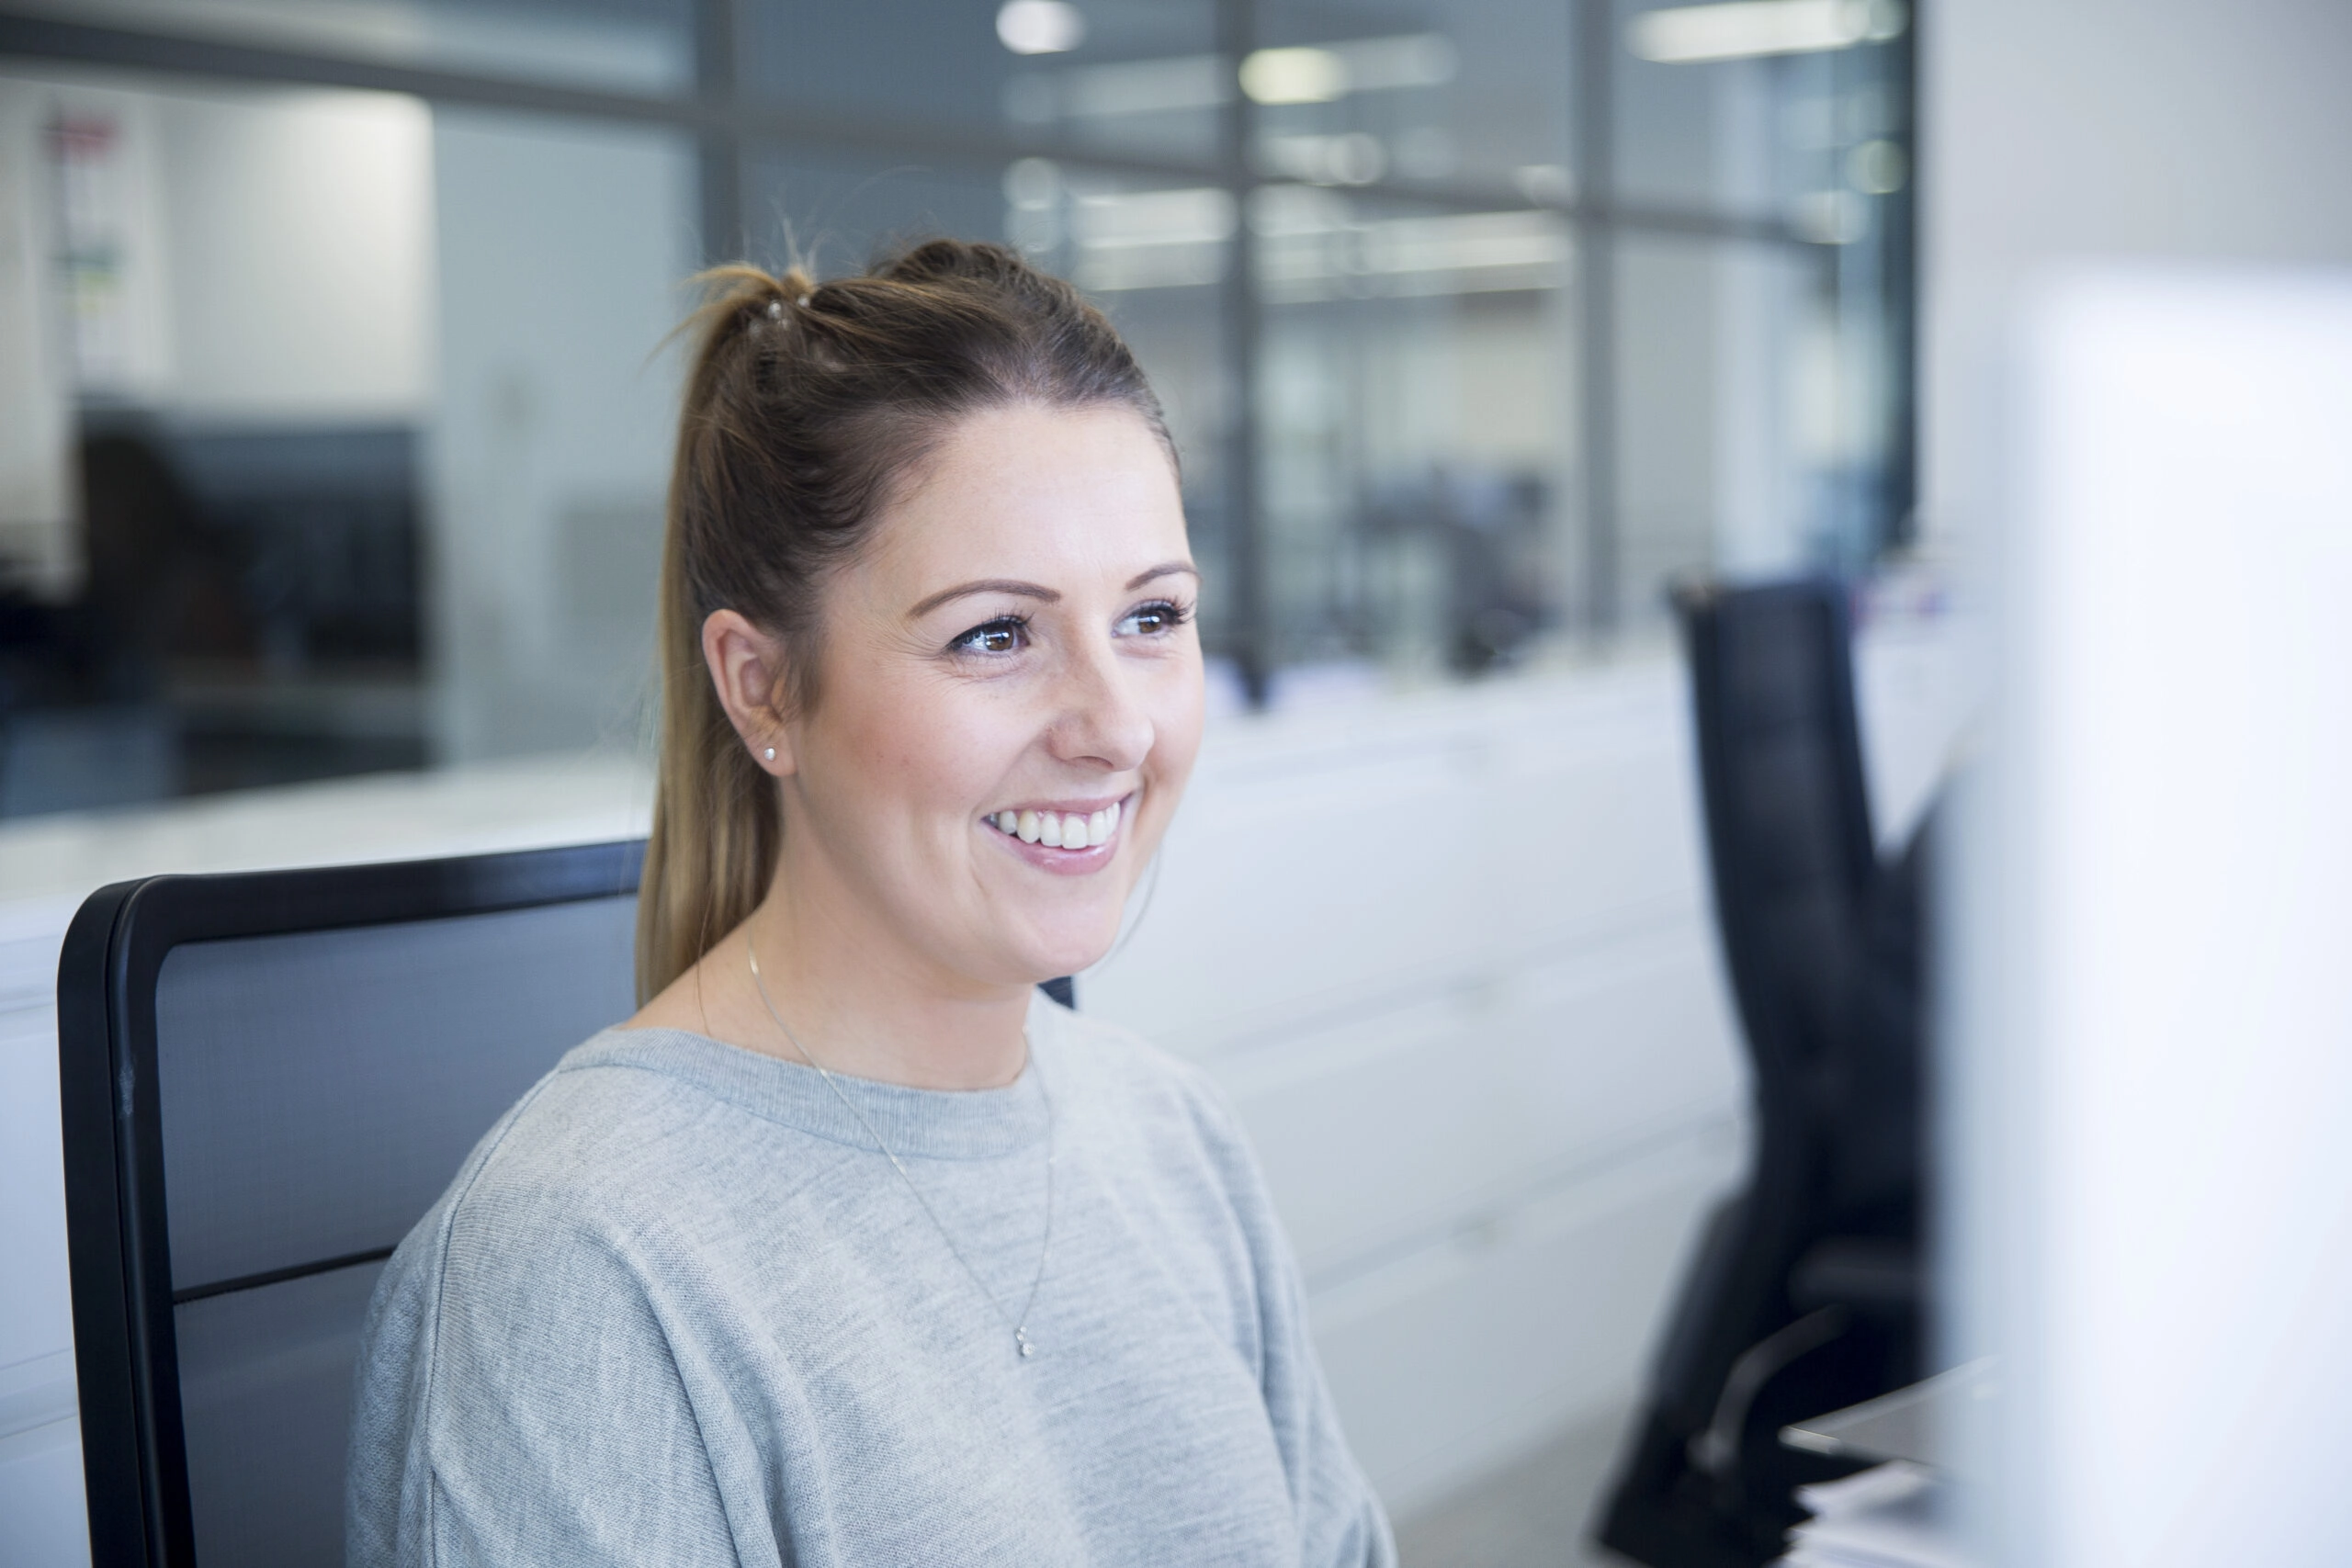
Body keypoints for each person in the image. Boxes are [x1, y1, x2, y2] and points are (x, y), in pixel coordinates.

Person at [345, 241, 1395, 1567]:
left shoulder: (1175, 1138)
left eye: (1152, 617)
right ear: (764, 689)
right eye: (995, 634)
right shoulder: (578, 1272)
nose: (1119, 727)